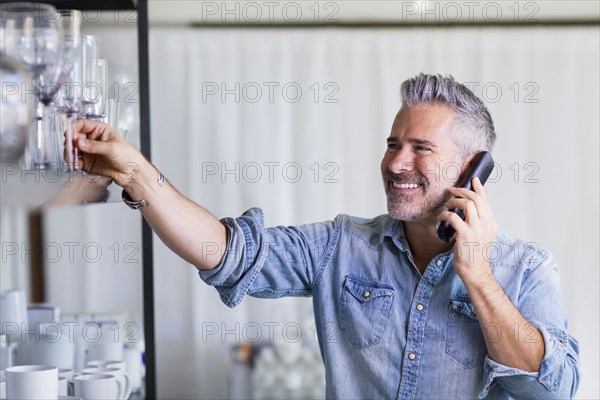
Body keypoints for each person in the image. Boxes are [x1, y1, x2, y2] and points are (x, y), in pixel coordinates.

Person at [72, 73, 580, 399]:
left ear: (473, 171)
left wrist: (478, 276)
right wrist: (137, 174)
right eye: (391, 144)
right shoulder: (342, 245)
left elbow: (554, 388)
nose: (395, 163)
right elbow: (227, 253)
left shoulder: (525, 270)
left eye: (420, 148)